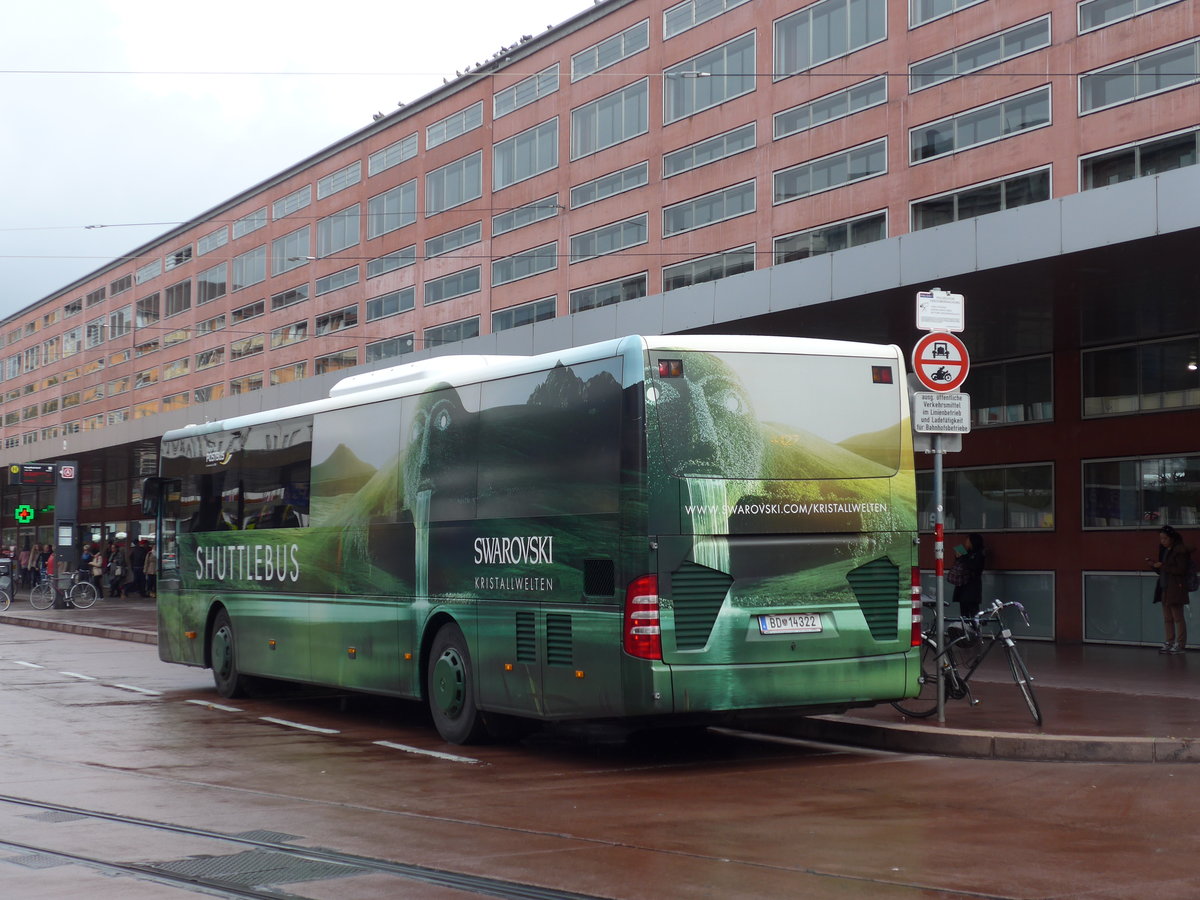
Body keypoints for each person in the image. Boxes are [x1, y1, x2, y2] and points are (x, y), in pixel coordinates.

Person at [1149, 525, 1193, 654]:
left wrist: (1163, 566)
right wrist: (1155, 566)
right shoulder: (1164, 550)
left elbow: (1180, 570)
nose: (1162, 541)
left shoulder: (1179, 550)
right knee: (1167, 618)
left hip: (1175, 587)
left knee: (1177, 617)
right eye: (1161, 538)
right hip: (1164, 587)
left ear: (1172, 538)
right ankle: (1169, 641)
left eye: (1165, 538)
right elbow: (1163, 569)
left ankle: (1180, 644)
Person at [951, 533, 987, 619]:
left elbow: (973, 566)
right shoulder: (968, 553)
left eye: (967, 541)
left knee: (973, 612)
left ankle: (975, 630)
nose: (966, 543)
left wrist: (963, 556)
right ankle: (965, 629)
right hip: (963, 586)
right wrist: (958, 557)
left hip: (972, 588)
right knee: (964, 613)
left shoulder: (979, 553)